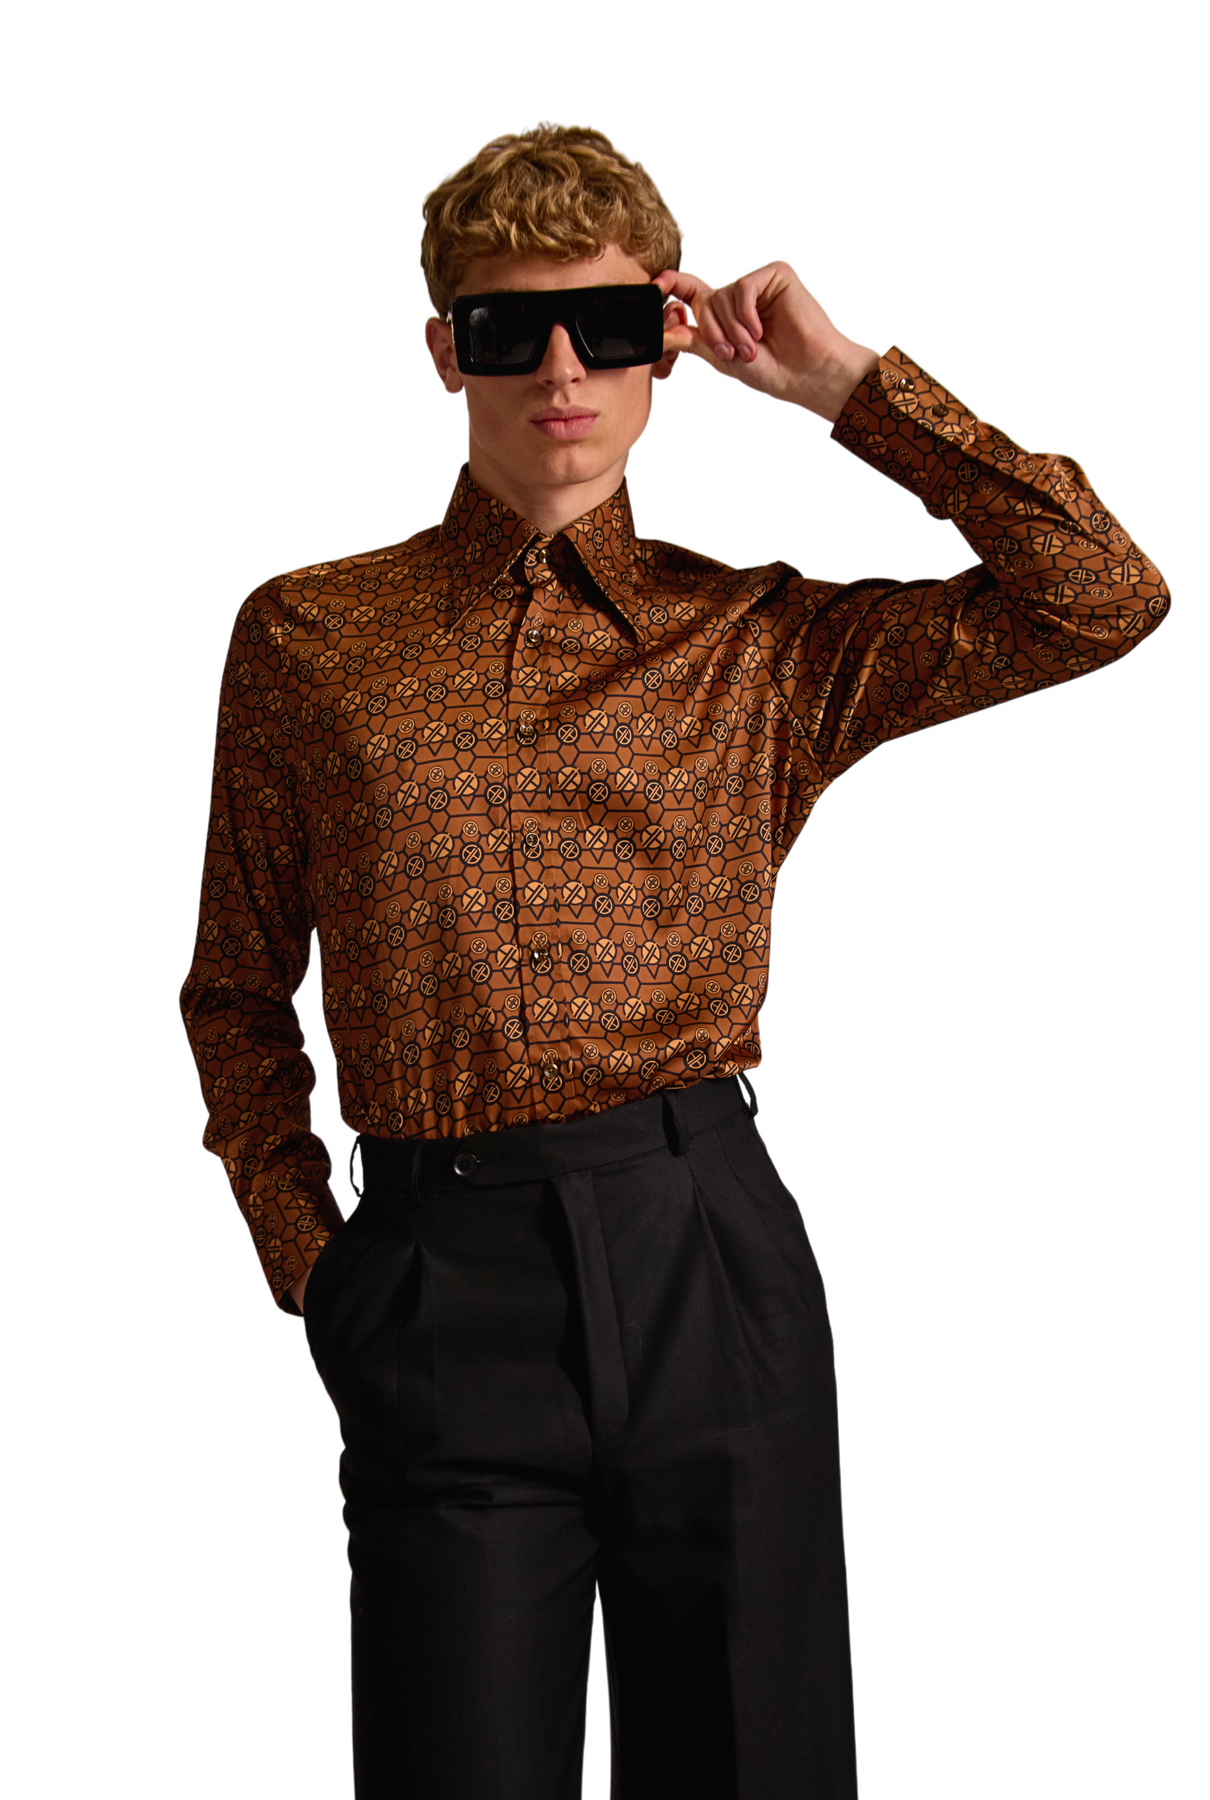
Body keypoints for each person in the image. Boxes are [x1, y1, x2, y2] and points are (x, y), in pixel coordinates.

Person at [178, 124, 1170, 1798]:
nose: (561, 371)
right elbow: (234, 983)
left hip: (706, 1257)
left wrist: (846, 388)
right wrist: (320, 1265)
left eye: (607, 326)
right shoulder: (309, 639)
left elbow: (1098, 594)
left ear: (665, 340)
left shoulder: (758, 644)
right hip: (437, 1284)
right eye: (510, 330)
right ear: (445, 353)